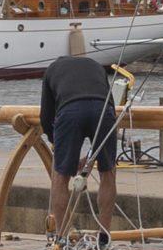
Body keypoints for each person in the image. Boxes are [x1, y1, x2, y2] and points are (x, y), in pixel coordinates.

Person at [39, 51, 121, 236]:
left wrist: (56, 144)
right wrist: (90, 159)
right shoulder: (96, 66)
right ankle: (104, 236)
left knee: (61, 178)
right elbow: (109, 108)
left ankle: (61, 237)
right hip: (103, 110)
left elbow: (46, 118)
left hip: (69, 111)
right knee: (108, 173)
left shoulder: (52, 70)